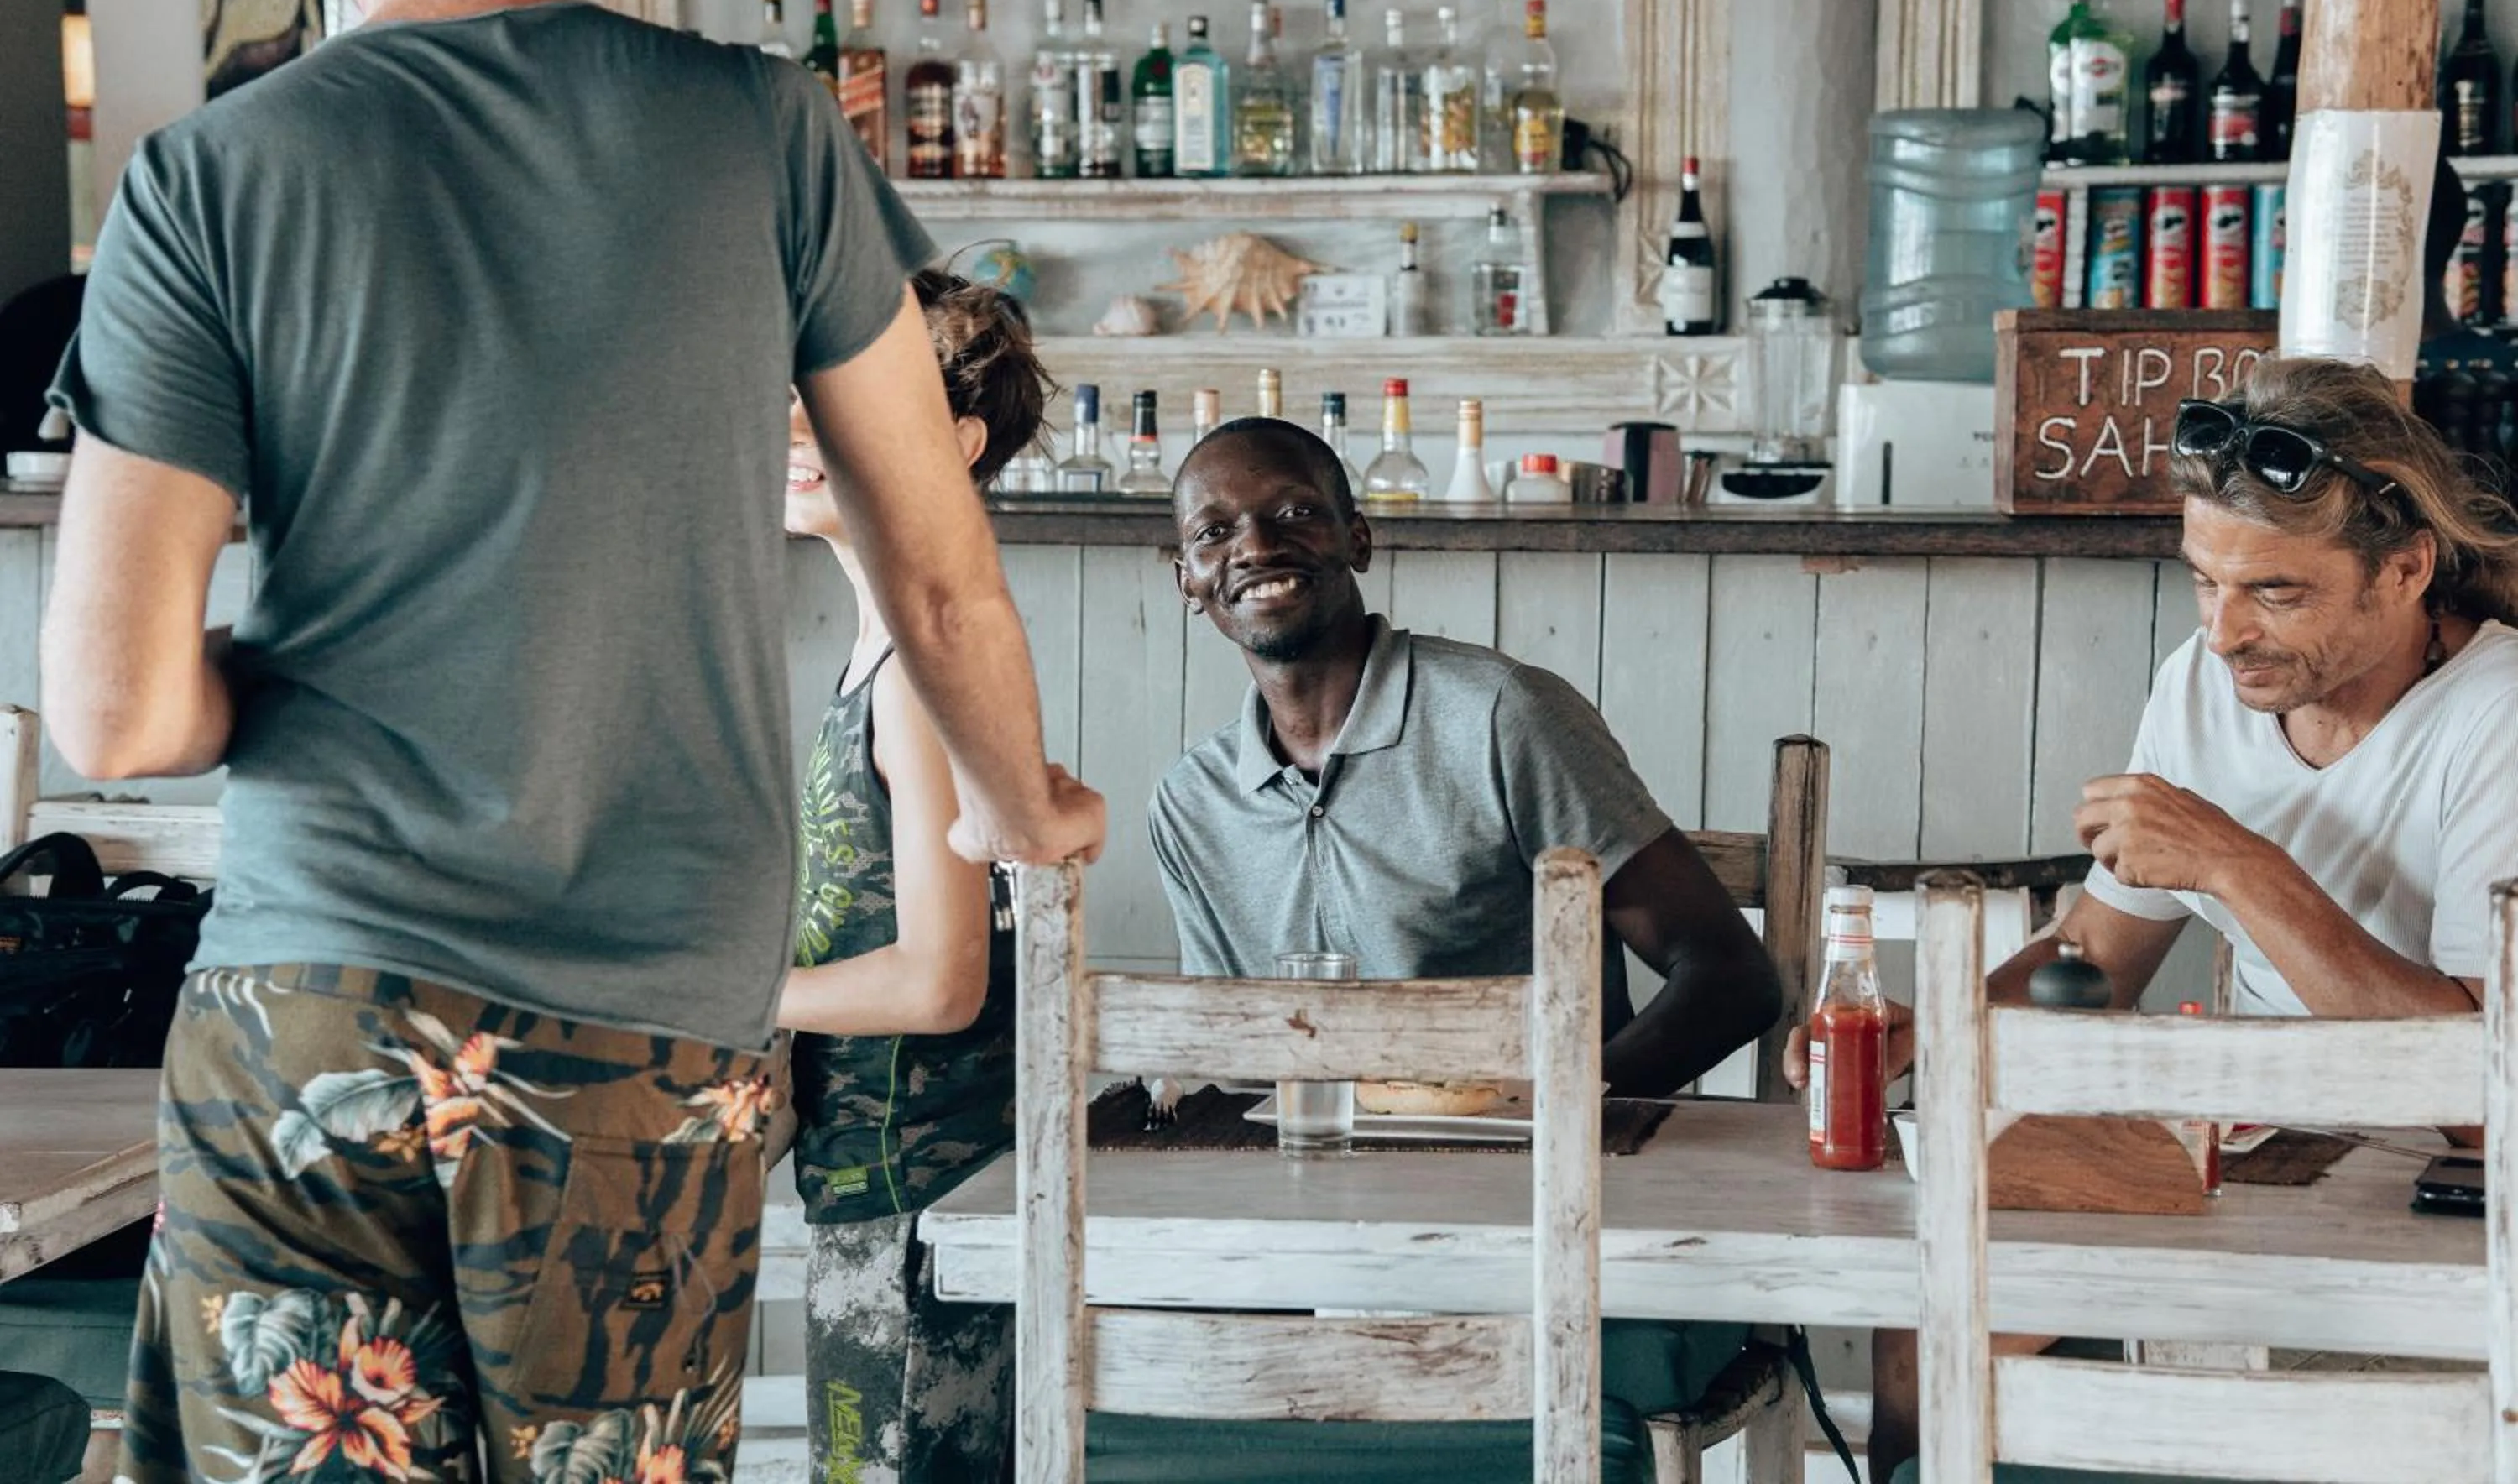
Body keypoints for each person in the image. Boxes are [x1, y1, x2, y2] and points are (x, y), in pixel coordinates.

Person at [39, 0, 1102, 1479]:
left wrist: (334, 661)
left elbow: (117, 713)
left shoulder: (207, 175)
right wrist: (1030, 820)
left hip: (316, 1004)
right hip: (648, 1036)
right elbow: (942, 578)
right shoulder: (763, 126)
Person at [1793, 358, 2518, 1484]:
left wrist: (2238, 866)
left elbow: (2482, 1091)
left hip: (2452, 1195)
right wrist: (1931, 1027)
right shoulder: (2202, 683)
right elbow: (2096, 956)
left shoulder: (2499, 717)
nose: (2224, 634)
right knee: (1926, 1323)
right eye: (2202, 583)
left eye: (2273, 591)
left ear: (2406, 570)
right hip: (2263, 1166)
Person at [1121, 417, 1782, 1483]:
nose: (1255, 543)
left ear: (1359, 538)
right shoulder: (1191, 802)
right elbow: (1231, 1057)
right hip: (1321, 1229)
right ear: (1188, 579)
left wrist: (1558, 1112)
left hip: (1532, 1220)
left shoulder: (1501, 716)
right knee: (1117, 1362)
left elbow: (1734, 975)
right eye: (1215, 531)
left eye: (1293, 511)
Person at [778, 270, 1050, 1484]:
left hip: (916, 1191)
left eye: (826, 403)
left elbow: (941, 981)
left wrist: (721, 988)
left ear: (955, 441)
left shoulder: (915, 677)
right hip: (880, 1184)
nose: (789, 426)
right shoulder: (884, 648)